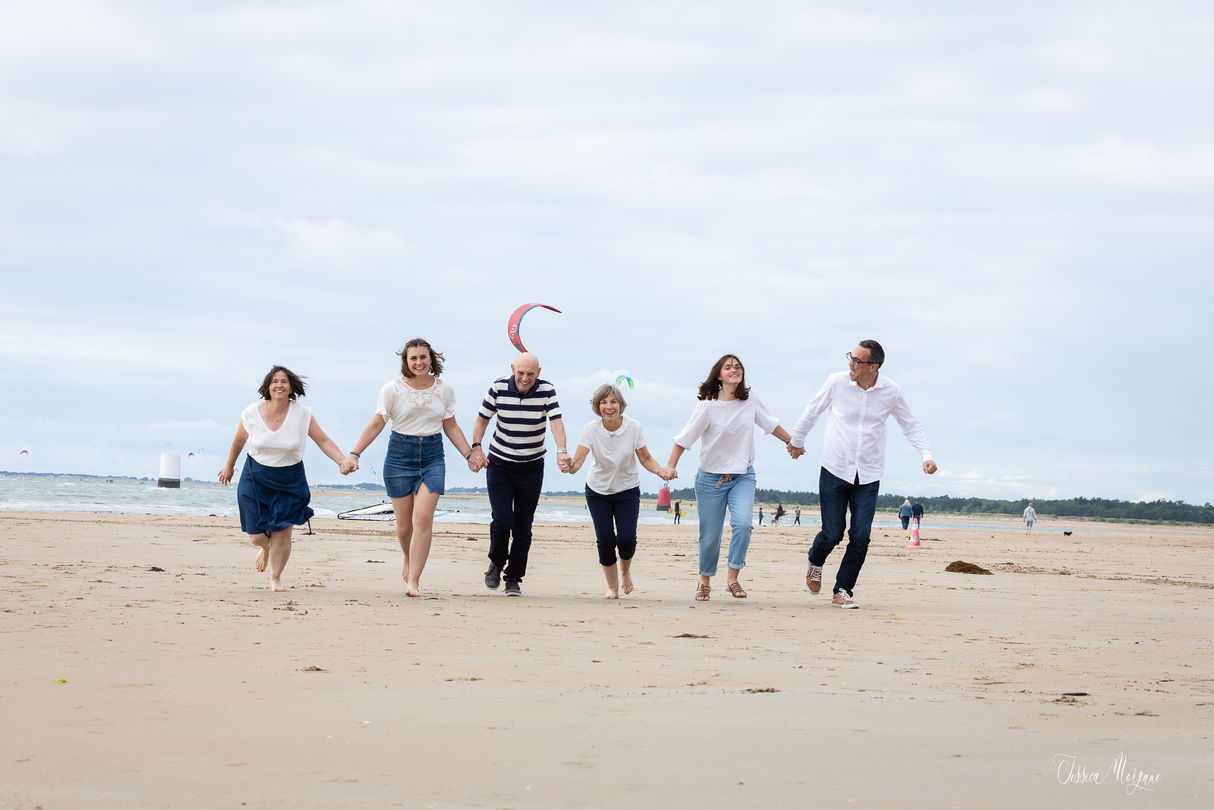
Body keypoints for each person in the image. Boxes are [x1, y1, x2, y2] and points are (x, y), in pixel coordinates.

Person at [788, 341, 937, 609]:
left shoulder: (891, 391)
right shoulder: (836, 383)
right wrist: (796, 441)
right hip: (835, 468)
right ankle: (815, 560)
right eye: (851, 358)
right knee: (833, 533)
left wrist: (926, 455)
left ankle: (842, 590)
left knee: (861, 536)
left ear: (873, 366)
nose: (850, 364)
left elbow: (910, 424)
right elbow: (812, 410)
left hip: (868, 474)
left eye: (856, 360)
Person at [341, 339, 480, 597]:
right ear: (405, 361)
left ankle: (413, 580)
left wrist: (469, 455)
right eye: (413, 358)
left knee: (423, 519)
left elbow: (450, 425)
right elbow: (376, 424)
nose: (419, 362)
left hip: (432, 456)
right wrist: (354, 453)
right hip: (399, 455)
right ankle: (408, 557)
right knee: (404, 527)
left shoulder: (445, 389)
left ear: (431, 359)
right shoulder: (391, 389)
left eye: (423, 357)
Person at [663, 354, 793, 601]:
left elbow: (770, 423)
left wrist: (791, 442)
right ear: (719, 375)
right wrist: (671, 466)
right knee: (710, 533)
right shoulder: (708, 405)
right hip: (709, 479)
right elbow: (685, 437)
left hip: (742, 476)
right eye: (728, 367)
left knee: (743, 524)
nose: (734, 369)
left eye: (738, 366)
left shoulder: (750, 399)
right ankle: (704, 581)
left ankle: (733, 578)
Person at [219, 366, 349, 592]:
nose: (279, 385)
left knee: (283, 531)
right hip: (255, 475)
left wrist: (342, 461)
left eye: (284, 382)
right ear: (267, 387)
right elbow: (239, 441)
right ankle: (266, 548)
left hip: (289, 478)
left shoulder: (302, 414)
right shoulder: (252, 412)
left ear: (291, 388)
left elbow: (323, 441)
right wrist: (229, 467)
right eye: (274, 381)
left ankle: (275, 578)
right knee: (255, 535)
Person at [561, 383, 671, 598]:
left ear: (621, 405)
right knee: (605, 539)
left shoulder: (634, 427)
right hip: (597, 491)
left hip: (627, 490)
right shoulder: (590, 429)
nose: (608, 406)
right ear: (597, 406)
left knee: (627, 539)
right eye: (603, 402)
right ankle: (612, 587)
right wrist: (569, 466)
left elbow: (645, 458)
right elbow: (578, 462)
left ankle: (625, 572)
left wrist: (662, 472)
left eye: (613, 401)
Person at [470, 352, 566, 597]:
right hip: (499, 464)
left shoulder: (547, 390)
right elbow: (482, 419)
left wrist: (561, 451)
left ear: (539, 372)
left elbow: (556, 422)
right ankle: (496, 562)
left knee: (523, 527)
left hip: (531, 467)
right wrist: (477, 448)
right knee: (502, 520)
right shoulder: (498, 387)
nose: (524, 378)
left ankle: (513, 577)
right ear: (513, 368)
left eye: (530, 374)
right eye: (520, 373)